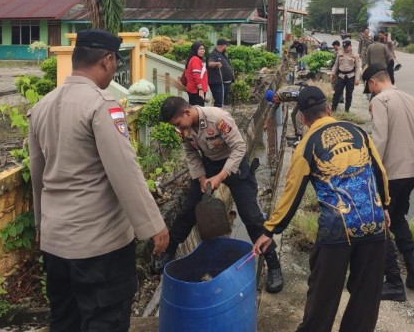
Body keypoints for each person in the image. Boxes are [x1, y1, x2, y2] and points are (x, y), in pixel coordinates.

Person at [28, 29, 168, 332]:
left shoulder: (42, 106)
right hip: (99, 247)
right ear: (106, 61)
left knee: (64, 321)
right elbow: (124, 170)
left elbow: (37, 175)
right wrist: (153, 225)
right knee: (105, 321)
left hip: (56, 244)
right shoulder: (101, 104)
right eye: (115, 64)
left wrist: (41, 225)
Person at [253, 86, 390, 332]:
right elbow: (380, 171)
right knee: (366, 297)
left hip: (338, 229)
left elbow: (291, 194)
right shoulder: (358, 132)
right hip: (375, 222)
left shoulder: (307, 145)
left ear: (303, 119)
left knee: (323, 297)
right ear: (328, 109)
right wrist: (385, 206)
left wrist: (269, 230)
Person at [157, 96, 284, 293]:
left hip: (234, 164)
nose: (180, 129)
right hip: (208, 165)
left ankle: (273, 264)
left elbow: (240, 147)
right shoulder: (183, 128)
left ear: (187, 112)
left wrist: (221, 176)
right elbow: (191, 154)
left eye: (178, 123)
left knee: (250, 215)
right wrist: (201, 178)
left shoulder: (218, 119)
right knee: (188, 211)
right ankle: (169, 251)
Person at [364, 64, 414, 302]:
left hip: (391, 174)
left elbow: (379, 140)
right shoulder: (411, 99)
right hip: (410, 171)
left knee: (380, 223)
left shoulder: (381, 101)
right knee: (398, 218)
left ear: (373, 83)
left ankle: (393, 283)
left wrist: (369, 171)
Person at [330, 39, 361, 112]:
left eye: (347, 47)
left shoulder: (355, 55)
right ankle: (333, 108)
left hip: (351, 76)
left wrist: (357, 79)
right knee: (337, 92)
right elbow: (336, 65)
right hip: (341, 76)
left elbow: (357, 67)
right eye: (344, 47)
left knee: (349, 93)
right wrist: (332, 74)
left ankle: (347, 110)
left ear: (350, 46)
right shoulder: (340, 53)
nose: (345, 49)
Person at [207, 38, 233, 108]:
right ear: (222, 46)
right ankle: (217, 117)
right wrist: (216, 63)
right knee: (219, 102)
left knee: (223, 101)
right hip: (218, 83)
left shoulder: (222, 54)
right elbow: (210, 63)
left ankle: (221, 115)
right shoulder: (214, 54)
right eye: (226, 46)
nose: (226, 47)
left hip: (225, 83)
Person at [183, 42, 208, 106]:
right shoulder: (195, 59)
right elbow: (196, 75)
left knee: (194, 109)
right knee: (198, 111)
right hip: (196, 90)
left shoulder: (193, 59)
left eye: (203, 49)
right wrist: (200, 89)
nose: (202, 51)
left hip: (194, 90)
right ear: (195, 50)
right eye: (200, 49)